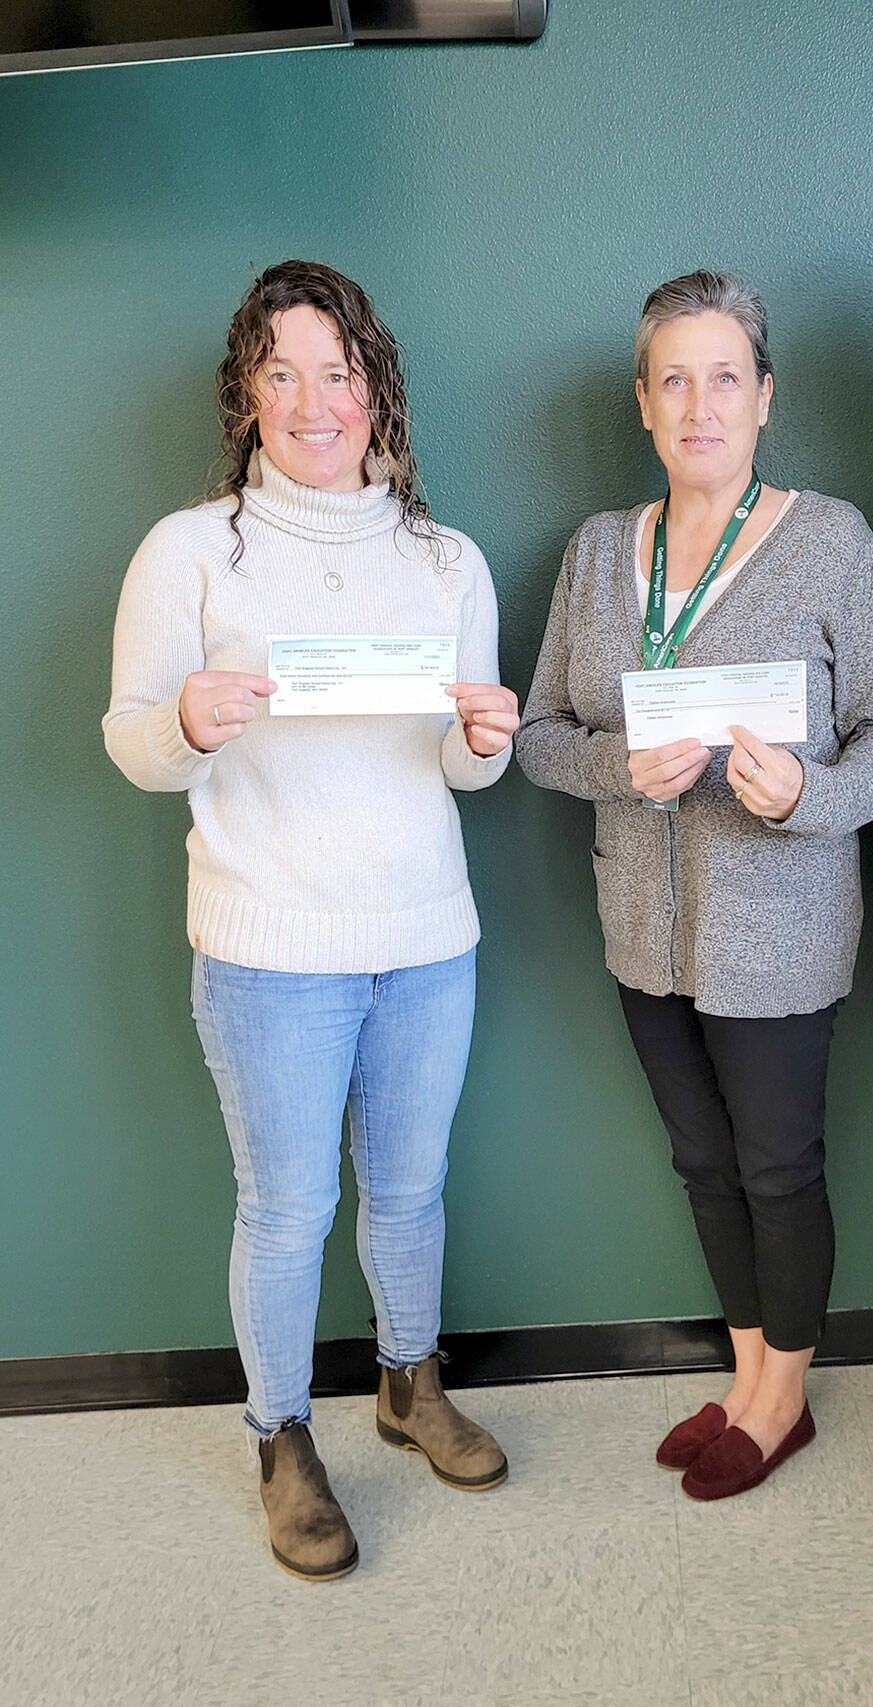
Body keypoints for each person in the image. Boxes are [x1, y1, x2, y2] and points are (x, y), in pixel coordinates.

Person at [104, 261, 520, 1580]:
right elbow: (130, 735)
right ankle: (280, 1435)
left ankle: (409, 1383)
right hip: (268, 944)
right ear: (247, 396)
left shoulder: (445, 558)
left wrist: (487, 738)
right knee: (286, 1209)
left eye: (336, 370)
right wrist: (182, 723)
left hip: (426, 938)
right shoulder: (189, 549)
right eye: (281, 372)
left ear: (375, 388)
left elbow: (465, 765)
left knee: (409, 1187)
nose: (312, 399)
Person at [517, 270, 873, 1501]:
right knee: (700, 1161)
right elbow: (538, 733)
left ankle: (782, 1398)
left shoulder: (831, 541)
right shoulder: (597, 554)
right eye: (674, 380)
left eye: (724, 378)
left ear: (763, 398)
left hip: (781, 928)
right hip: (644, 931)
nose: (700, 405)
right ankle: (748, 1373)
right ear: (643, 403)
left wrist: (807, 797)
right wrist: (617, 768)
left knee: (777, 1167)